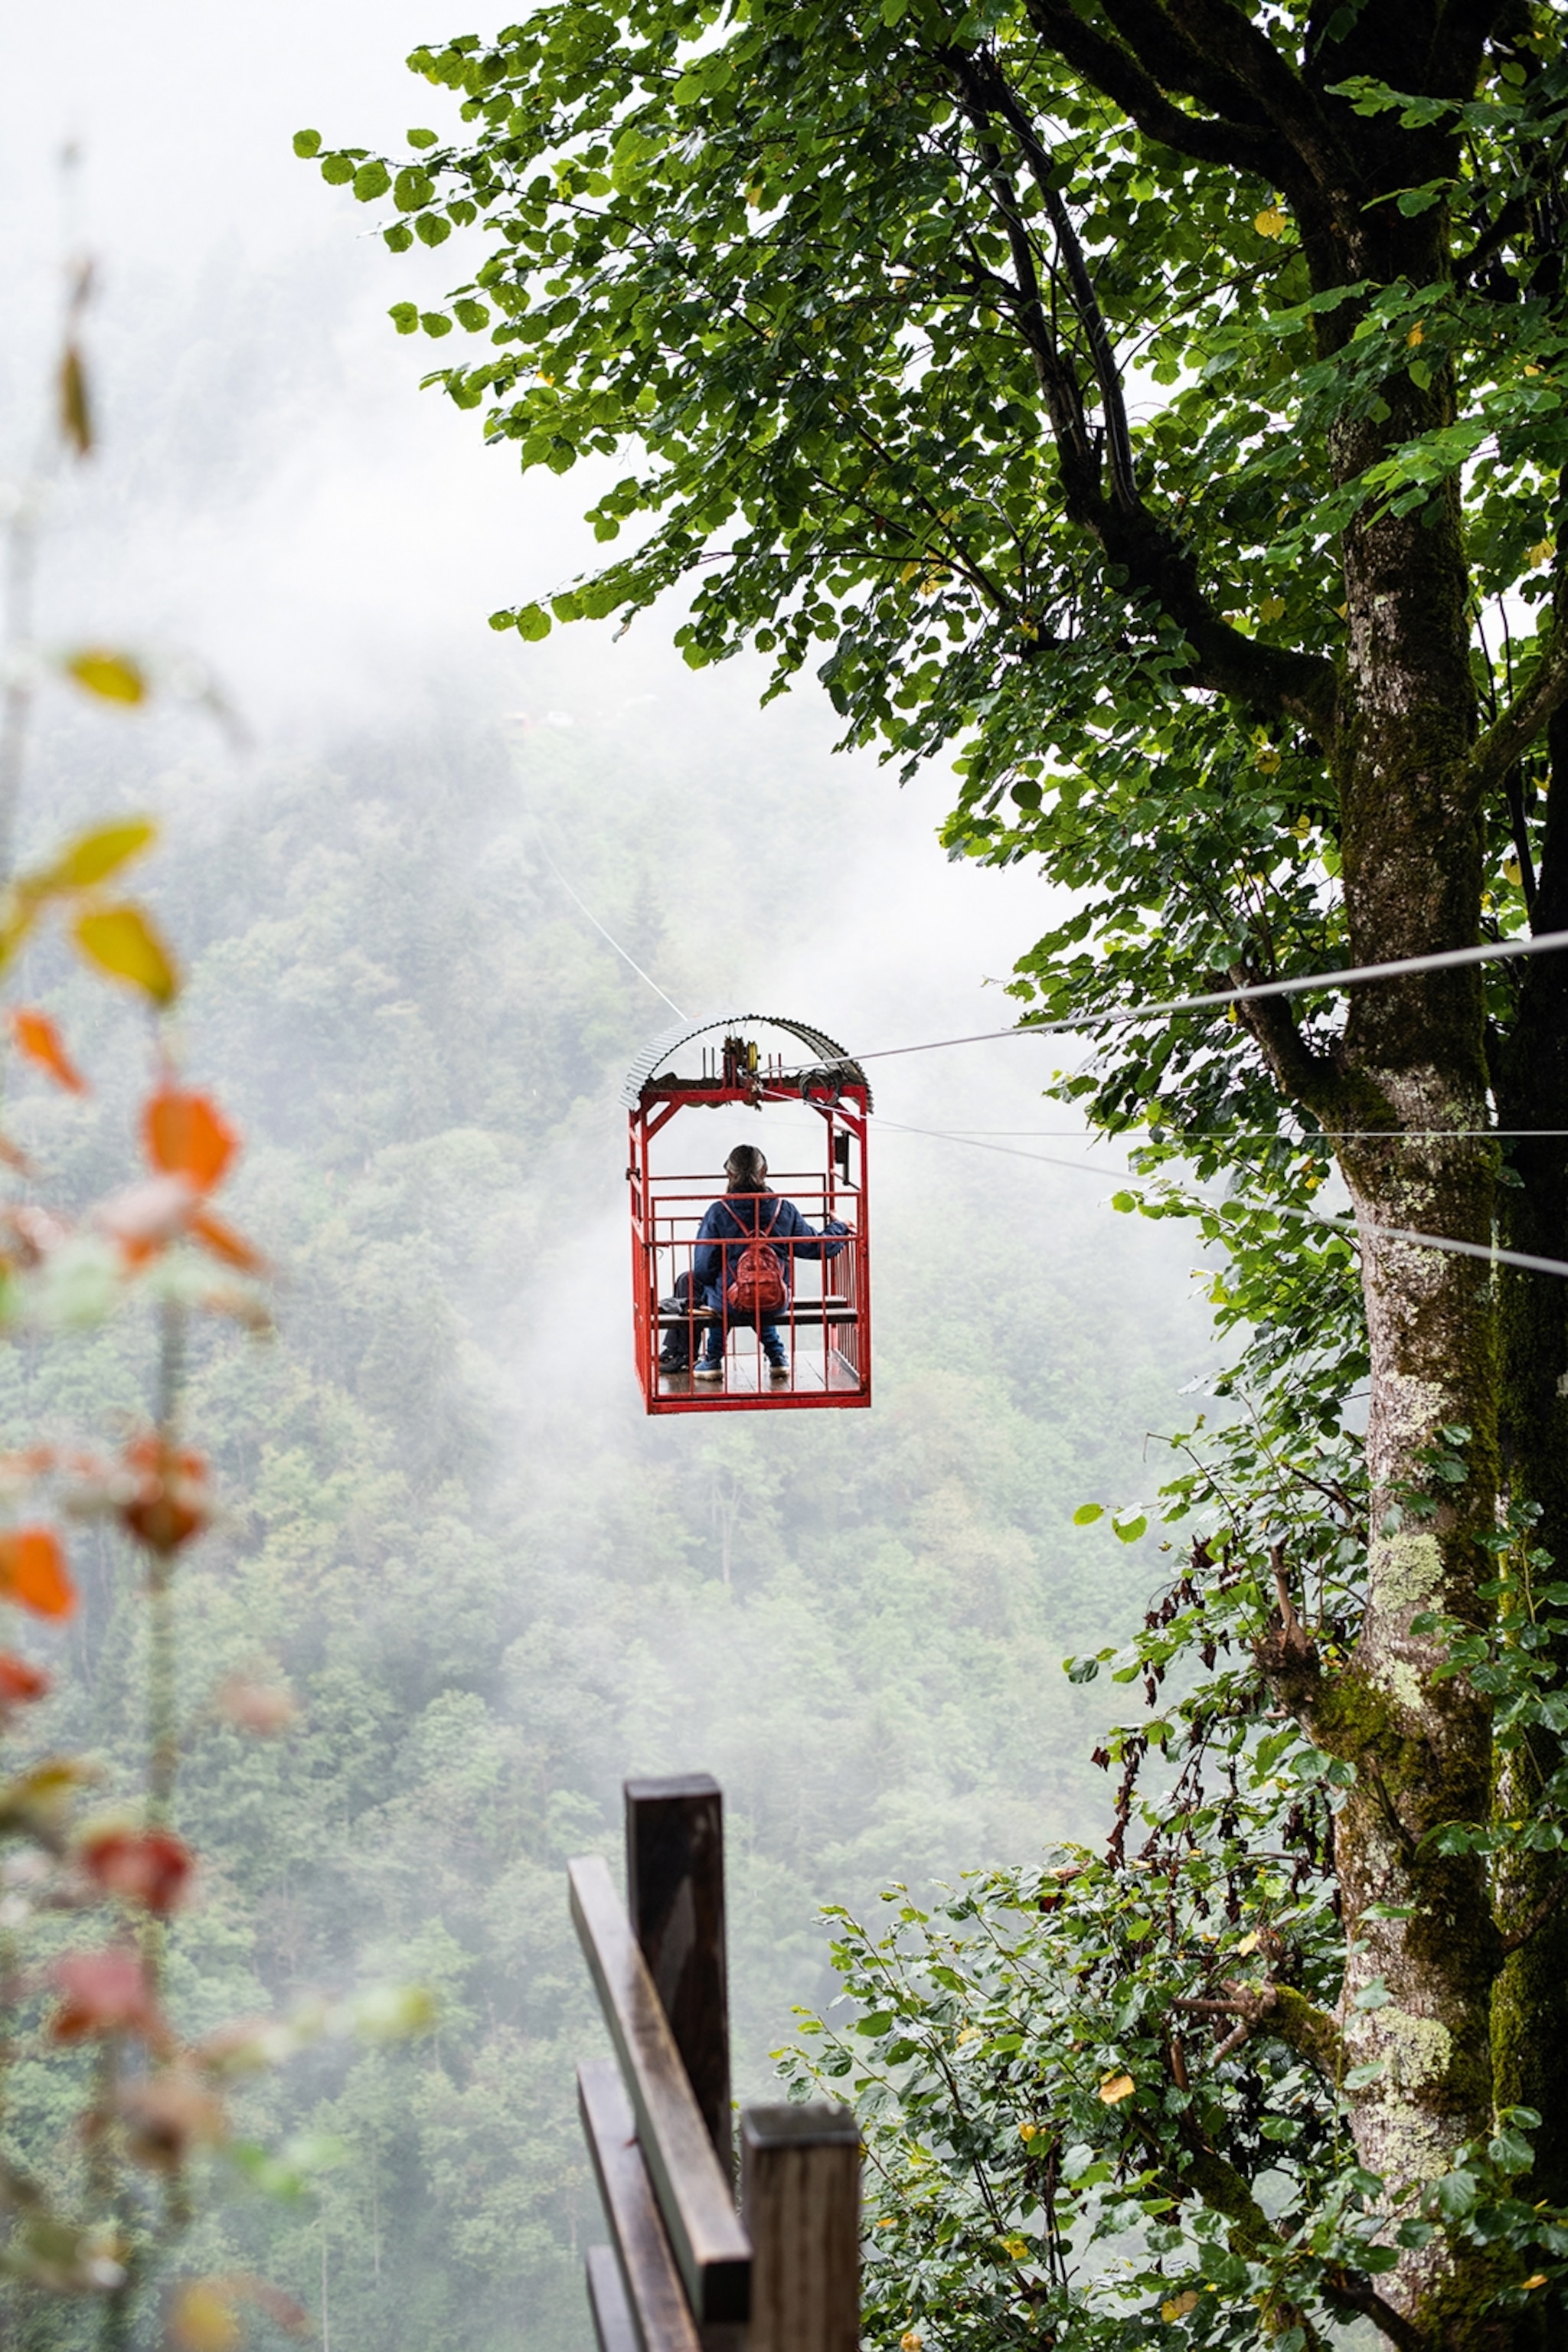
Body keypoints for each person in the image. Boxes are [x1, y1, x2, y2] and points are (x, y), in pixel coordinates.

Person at [664, 1144, 848, 1383]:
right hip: (775, 1300)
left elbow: (703, 1270)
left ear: (729, 1175)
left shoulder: (719, 1212)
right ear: (765, 1172)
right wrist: (840, 1227)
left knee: (714, 1292)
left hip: (730, 1302)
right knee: (751, 1296)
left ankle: (709, 1359)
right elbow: (818, 1248)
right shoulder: (784, 1210)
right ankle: (777, 1357)